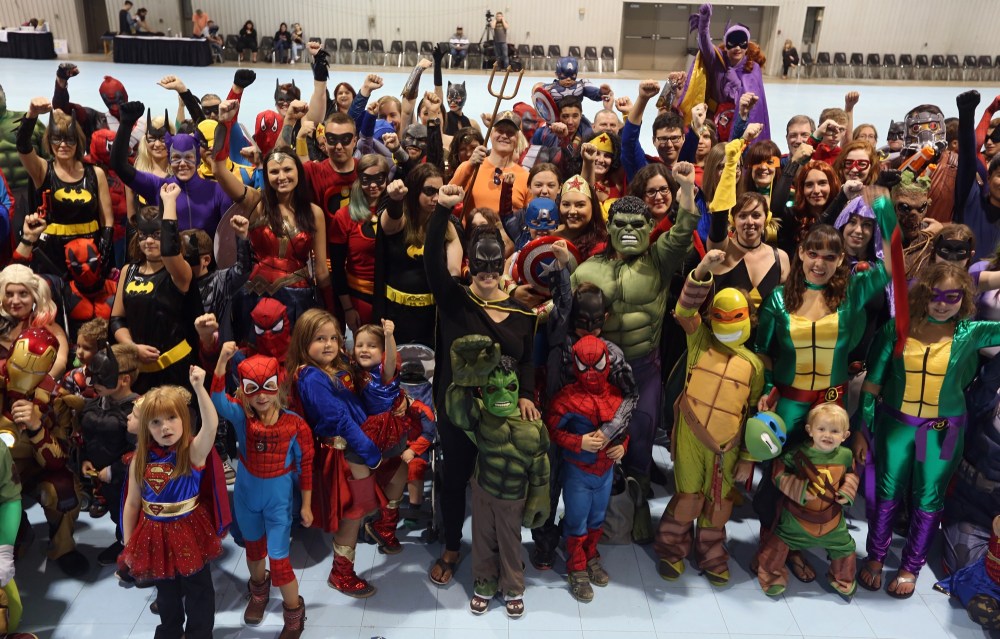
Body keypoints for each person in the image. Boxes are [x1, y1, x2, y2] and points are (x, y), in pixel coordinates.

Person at [572, 164, 701, 543]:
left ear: (648, 228)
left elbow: (685, 226)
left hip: (644, 366)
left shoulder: (659, 260)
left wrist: (688, 187)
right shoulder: (586, 271)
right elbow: (568, 324)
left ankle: (639, 503)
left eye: (637, 225)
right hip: (601, 371)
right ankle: (597, 512)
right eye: (621, 224)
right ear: (609, 228)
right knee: (599, 441)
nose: (629, 231)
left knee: (642, 439)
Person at [857, 262, 1000, 598]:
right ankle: (876, 557)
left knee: (928, 500)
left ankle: (910, 567)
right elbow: (873, 384)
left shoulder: (971, 333)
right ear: (923, 294)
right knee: (885, 495)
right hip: (896, 425)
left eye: (951, 296)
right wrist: (862, 429)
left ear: (963, 298)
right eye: (935, 294)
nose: (942, 303)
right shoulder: (897, 328)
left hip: (943, 430)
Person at [425, 184, 539, 586]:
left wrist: (526, 394)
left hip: (502, 410)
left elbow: (527, 360)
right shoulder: (454, 300)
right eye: (481, 267)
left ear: (503, 266)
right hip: (458, 408)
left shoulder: (520, 312)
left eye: (495, 268)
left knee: (502, 484)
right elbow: (431, 263)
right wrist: (441, 211)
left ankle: (502, 552)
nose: (488, 275)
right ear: (469, 264)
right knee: (455, 477)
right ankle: (453, 545)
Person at [655, 250, 764, 586]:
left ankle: (712, 552)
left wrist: (747, 458)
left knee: (718, 505)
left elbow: (754, 415)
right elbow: (684, 310)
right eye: (722, 315)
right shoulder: (699, 338)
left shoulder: (754, 366)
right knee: (688, 497)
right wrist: (703, 270)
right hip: (691, 433)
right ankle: (671, 547)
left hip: (727, 447)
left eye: (736, 316)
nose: (728, 323)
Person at [211, 344, 313, 635]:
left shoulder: (296, 425)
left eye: (267, 387)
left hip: (278, 500)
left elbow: (306, 466)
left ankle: (294, 613)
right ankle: (259, 594)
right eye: (253, 389)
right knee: (254, 552)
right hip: (246, 497)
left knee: (280, 561)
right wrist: (222, 360)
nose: (262, 396)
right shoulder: (243, 419)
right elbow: (217, 399)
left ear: (277, 385)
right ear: (244, 390)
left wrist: (305, 504)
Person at [446, 335, 550, 617]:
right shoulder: (479, 416)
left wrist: (539, 500)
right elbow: (456, 411)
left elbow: (540, 464)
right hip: (483, 489)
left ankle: (513, 587)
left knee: (510, 543)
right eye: (493, 388)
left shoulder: (533, 422)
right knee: (481, 540)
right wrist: (463, 380)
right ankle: (484, 582)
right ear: (483, 391)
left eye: (511, 387)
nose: (502, 396)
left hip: (514, 497)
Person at [118, 372, 226, 639]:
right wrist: (129, 543)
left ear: (184, 418)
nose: (165, 427)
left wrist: (200, 388)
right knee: (166, 592)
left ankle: (199, 634)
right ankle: (169, 631)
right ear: (146, 427)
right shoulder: (139, 460)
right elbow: (132, 504)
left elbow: (211, 425)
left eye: (171, 418)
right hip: (154, 533)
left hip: (190, 529)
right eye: (155, 422)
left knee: (199, 590)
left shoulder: (191, 452)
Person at [211, 100, 332, 331]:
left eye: (287, 170)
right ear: (266, 176)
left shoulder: (313, 212)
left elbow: (322, 273)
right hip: (254, 299)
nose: (281, 176)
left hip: (299, 301)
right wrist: (225, 124)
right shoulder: (256, 202)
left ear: (298, 171)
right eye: (274, 172)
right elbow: (218, 170)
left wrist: (336, 315)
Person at [287, 309, 379, 598]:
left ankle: (347, 563)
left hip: (350, 449)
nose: (328, 344)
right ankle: (341, 573)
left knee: (359, 508)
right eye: (319, 338)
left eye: (333, 338)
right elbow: (338, 418)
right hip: (342, 453)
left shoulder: (329, 367)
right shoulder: (311, 376)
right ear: (303, 342)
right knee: (353, 512)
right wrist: (368, 449)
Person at [755, 403, 858, 598]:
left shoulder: (846, 455)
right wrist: (801, 490)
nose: (827, 435)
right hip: (797, 519)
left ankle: (842, 579)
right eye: (822, 429)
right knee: (777, 545)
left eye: (835, 431)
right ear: (810, 431)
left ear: (845, 435)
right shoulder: (796, 454)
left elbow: (851, 475)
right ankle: (770, 576)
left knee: (845, 548)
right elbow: (778, 474)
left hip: (832, 521)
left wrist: (846, 492)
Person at [110, 185, 203, 393]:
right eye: (143, 235)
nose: (149, 241)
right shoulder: (129, 270)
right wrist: (132, 347)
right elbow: (117, 319)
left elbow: (170, 252)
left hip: (176, 369)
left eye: (157, 234)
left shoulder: (179, 271)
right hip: (140, 372)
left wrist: (169, 202)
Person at [16, 99, 113, 279]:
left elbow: (106, 217)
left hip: (89, 251)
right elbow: (22, 145)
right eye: (57, 138)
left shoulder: (95, 173)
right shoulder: (43, 169)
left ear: (78, 141)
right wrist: (31, 115)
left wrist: (106, 246)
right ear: (49, 140)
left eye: (69, 138)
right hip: (53, 253)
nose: (63, 144)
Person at [375, 164, 462, 346]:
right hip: (395, 313)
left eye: (440, 191)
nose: (435, 197)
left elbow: (454, 265)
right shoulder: (401, 219)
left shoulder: (444, 224)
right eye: (429, 191)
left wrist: (452, 284)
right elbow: (389, 225)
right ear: (415, 190)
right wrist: (396, 200)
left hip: (430, 315)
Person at [76, 343, 139, 566]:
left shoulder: (137, 411)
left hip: (128, 481)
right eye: (92, 376)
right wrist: (85, 459)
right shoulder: (95, 403)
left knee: (132, 515)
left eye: (102, 377)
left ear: (124, 379)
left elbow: (143, 452)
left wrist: (115, 470)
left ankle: (138, 554)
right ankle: (123, 542)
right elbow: (86, 435)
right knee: (116, 514)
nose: (93, 383)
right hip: (103, 479)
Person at [450, 110, 528, 211]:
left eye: (510, 132)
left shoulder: (526, 177)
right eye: (500, 130)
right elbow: (448, 197)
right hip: (473, 226)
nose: (504, 136)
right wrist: (470, 165)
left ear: (517, 139)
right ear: (491, 134)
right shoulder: (470, 167)